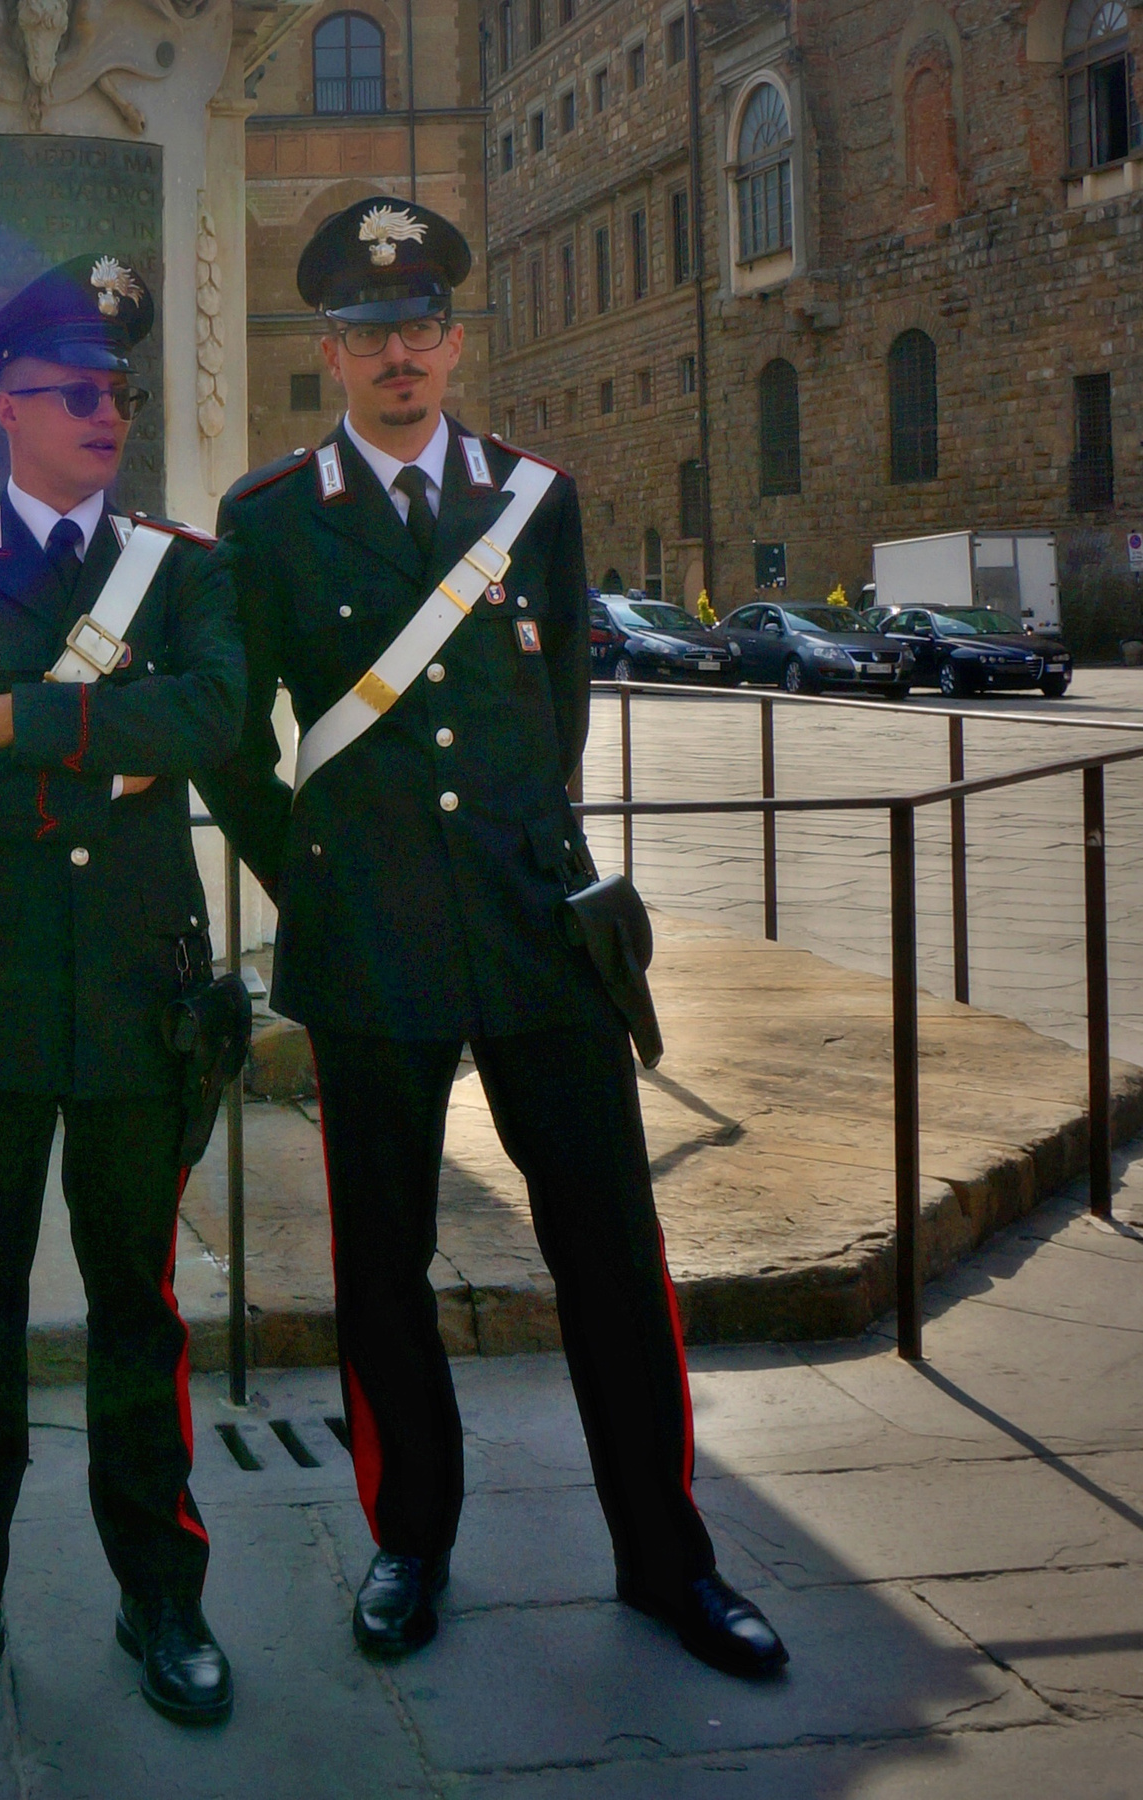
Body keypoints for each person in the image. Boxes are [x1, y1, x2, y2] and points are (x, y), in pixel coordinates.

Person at [197, 197, 787, 1677]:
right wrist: (310, 877)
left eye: (419, 326)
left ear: (455, 339)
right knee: (383, 1259)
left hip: (536, 930)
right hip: (369, 940)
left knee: (612, 1248)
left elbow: (558, 707)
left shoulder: (536, 497)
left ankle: (667, 1557)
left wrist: (526, 848)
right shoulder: (269, 519)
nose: (398, 353)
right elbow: (231, 738)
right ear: (330, 349)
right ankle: (410, 1540)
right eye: (368, 331)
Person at [0, 254, 245, 1735]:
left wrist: (18, 719)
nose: (107, 414)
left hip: (145, 985)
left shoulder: (183, 569)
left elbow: (213, 714)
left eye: (120, 392)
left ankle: (164, 1594)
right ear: (8, 407)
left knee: (138, 1306)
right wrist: (110, 757)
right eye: (77, 392)